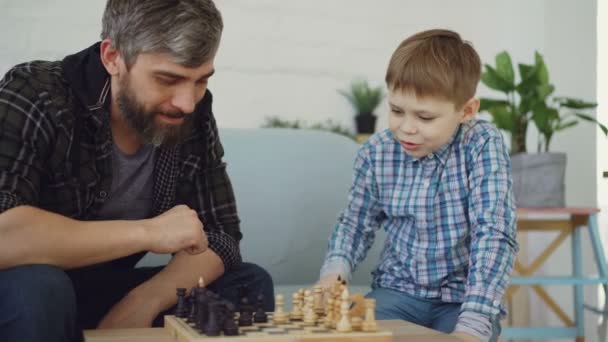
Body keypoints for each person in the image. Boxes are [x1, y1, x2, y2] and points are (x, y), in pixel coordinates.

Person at [0, 1, 274, 341]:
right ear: (113, 57)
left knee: (247, 283)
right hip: (26, 288)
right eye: (168, 79)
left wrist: (144, 300)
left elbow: (221, 236)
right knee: (39, 288)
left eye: (200, 80)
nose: (187, 102)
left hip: (101, 291)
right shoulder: (36, 93)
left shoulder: (193, 112)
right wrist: (148, 233)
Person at [317, 29, 518, 342]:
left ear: (466, 111)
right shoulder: (376, 152)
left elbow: (493, 232)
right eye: (397, 111)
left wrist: (475, 322)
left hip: (461, 301)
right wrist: (335, 273)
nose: (406, 128)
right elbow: (355, 224)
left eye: (424, 117)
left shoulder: (482, 145)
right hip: (397, 292)